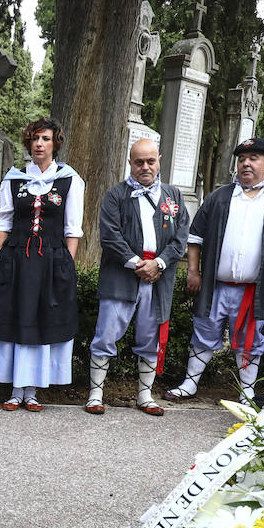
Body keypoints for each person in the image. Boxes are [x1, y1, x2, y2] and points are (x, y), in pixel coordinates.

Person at [166, 138, 264, 403]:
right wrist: (194, 271)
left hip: (254, 290)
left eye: (253, 158)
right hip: (216, 285)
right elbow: (195, 237)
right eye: (242, 159)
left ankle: (247, 391)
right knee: (204, 332)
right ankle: (190, 383)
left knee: (250, 340)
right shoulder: (220, 196)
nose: (246, 163)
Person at [0, 117, 82, 412]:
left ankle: (33, 391)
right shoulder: (14, 179)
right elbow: (4, 222)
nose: (39, 144)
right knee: (16, 317)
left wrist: (66, 265)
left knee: (40, 321)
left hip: (51, 260)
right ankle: (14, 389)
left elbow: (73, 228)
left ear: (55, 144)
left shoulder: (70, 180)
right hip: (16, 259)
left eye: (46, 139)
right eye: (35, 138)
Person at [87, 138, 187, 416]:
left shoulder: (174, 197)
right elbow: (109, 235)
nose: (145, 167)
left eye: (150, 161)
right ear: (130, 163)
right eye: (139, 162)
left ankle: (145, 396)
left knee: (150, 337)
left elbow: (181, 238)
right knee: (106, 335)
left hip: (158, 278)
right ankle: (95, 395)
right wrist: (137, 265)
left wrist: (159, 264)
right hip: (121, 276)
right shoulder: (116, 195)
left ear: (159, 160)